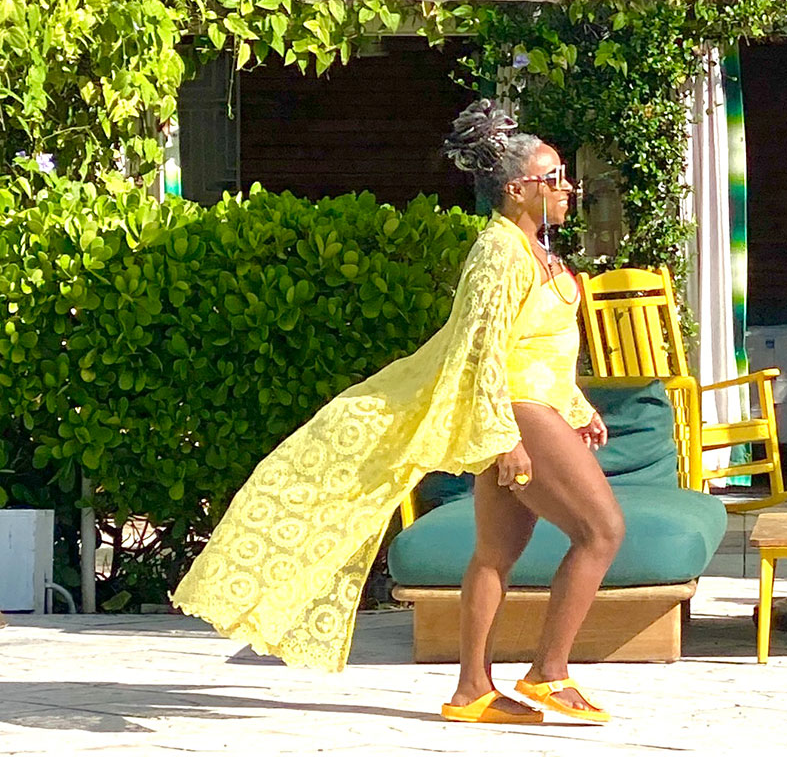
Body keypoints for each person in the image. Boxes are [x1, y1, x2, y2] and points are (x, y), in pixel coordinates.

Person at [173, 100, 626, 726]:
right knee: (602, 532)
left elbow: (539, 347)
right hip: (517, 415)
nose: (567, 188)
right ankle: (549, 672)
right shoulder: (499, 252)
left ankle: (471, 691)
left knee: (496, 554)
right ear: (517, 189)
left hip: (533, 408)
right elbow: (480, 349)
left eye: (564, 177)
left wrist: (577, 405)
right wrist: (503, 437)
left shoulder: (533, 251)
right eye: (553, 178)